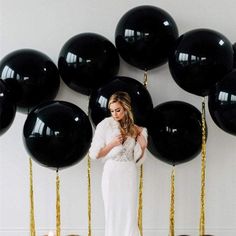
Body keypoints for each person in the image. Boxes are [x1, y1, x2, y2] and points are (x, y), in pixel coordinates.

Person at [89, 91, 148, 236]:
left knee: (129, 211)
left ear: (126, 108)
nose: (115, 114)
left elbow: (138, 159)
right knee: (112, 211)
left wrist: (143, 146)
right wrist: (112, 144)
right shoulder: (105, 125)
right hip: (111, 173)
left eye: (118, 110)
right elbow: (94, 154)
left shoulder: (137, 130)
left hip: (129, 172)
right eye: (112, 110)